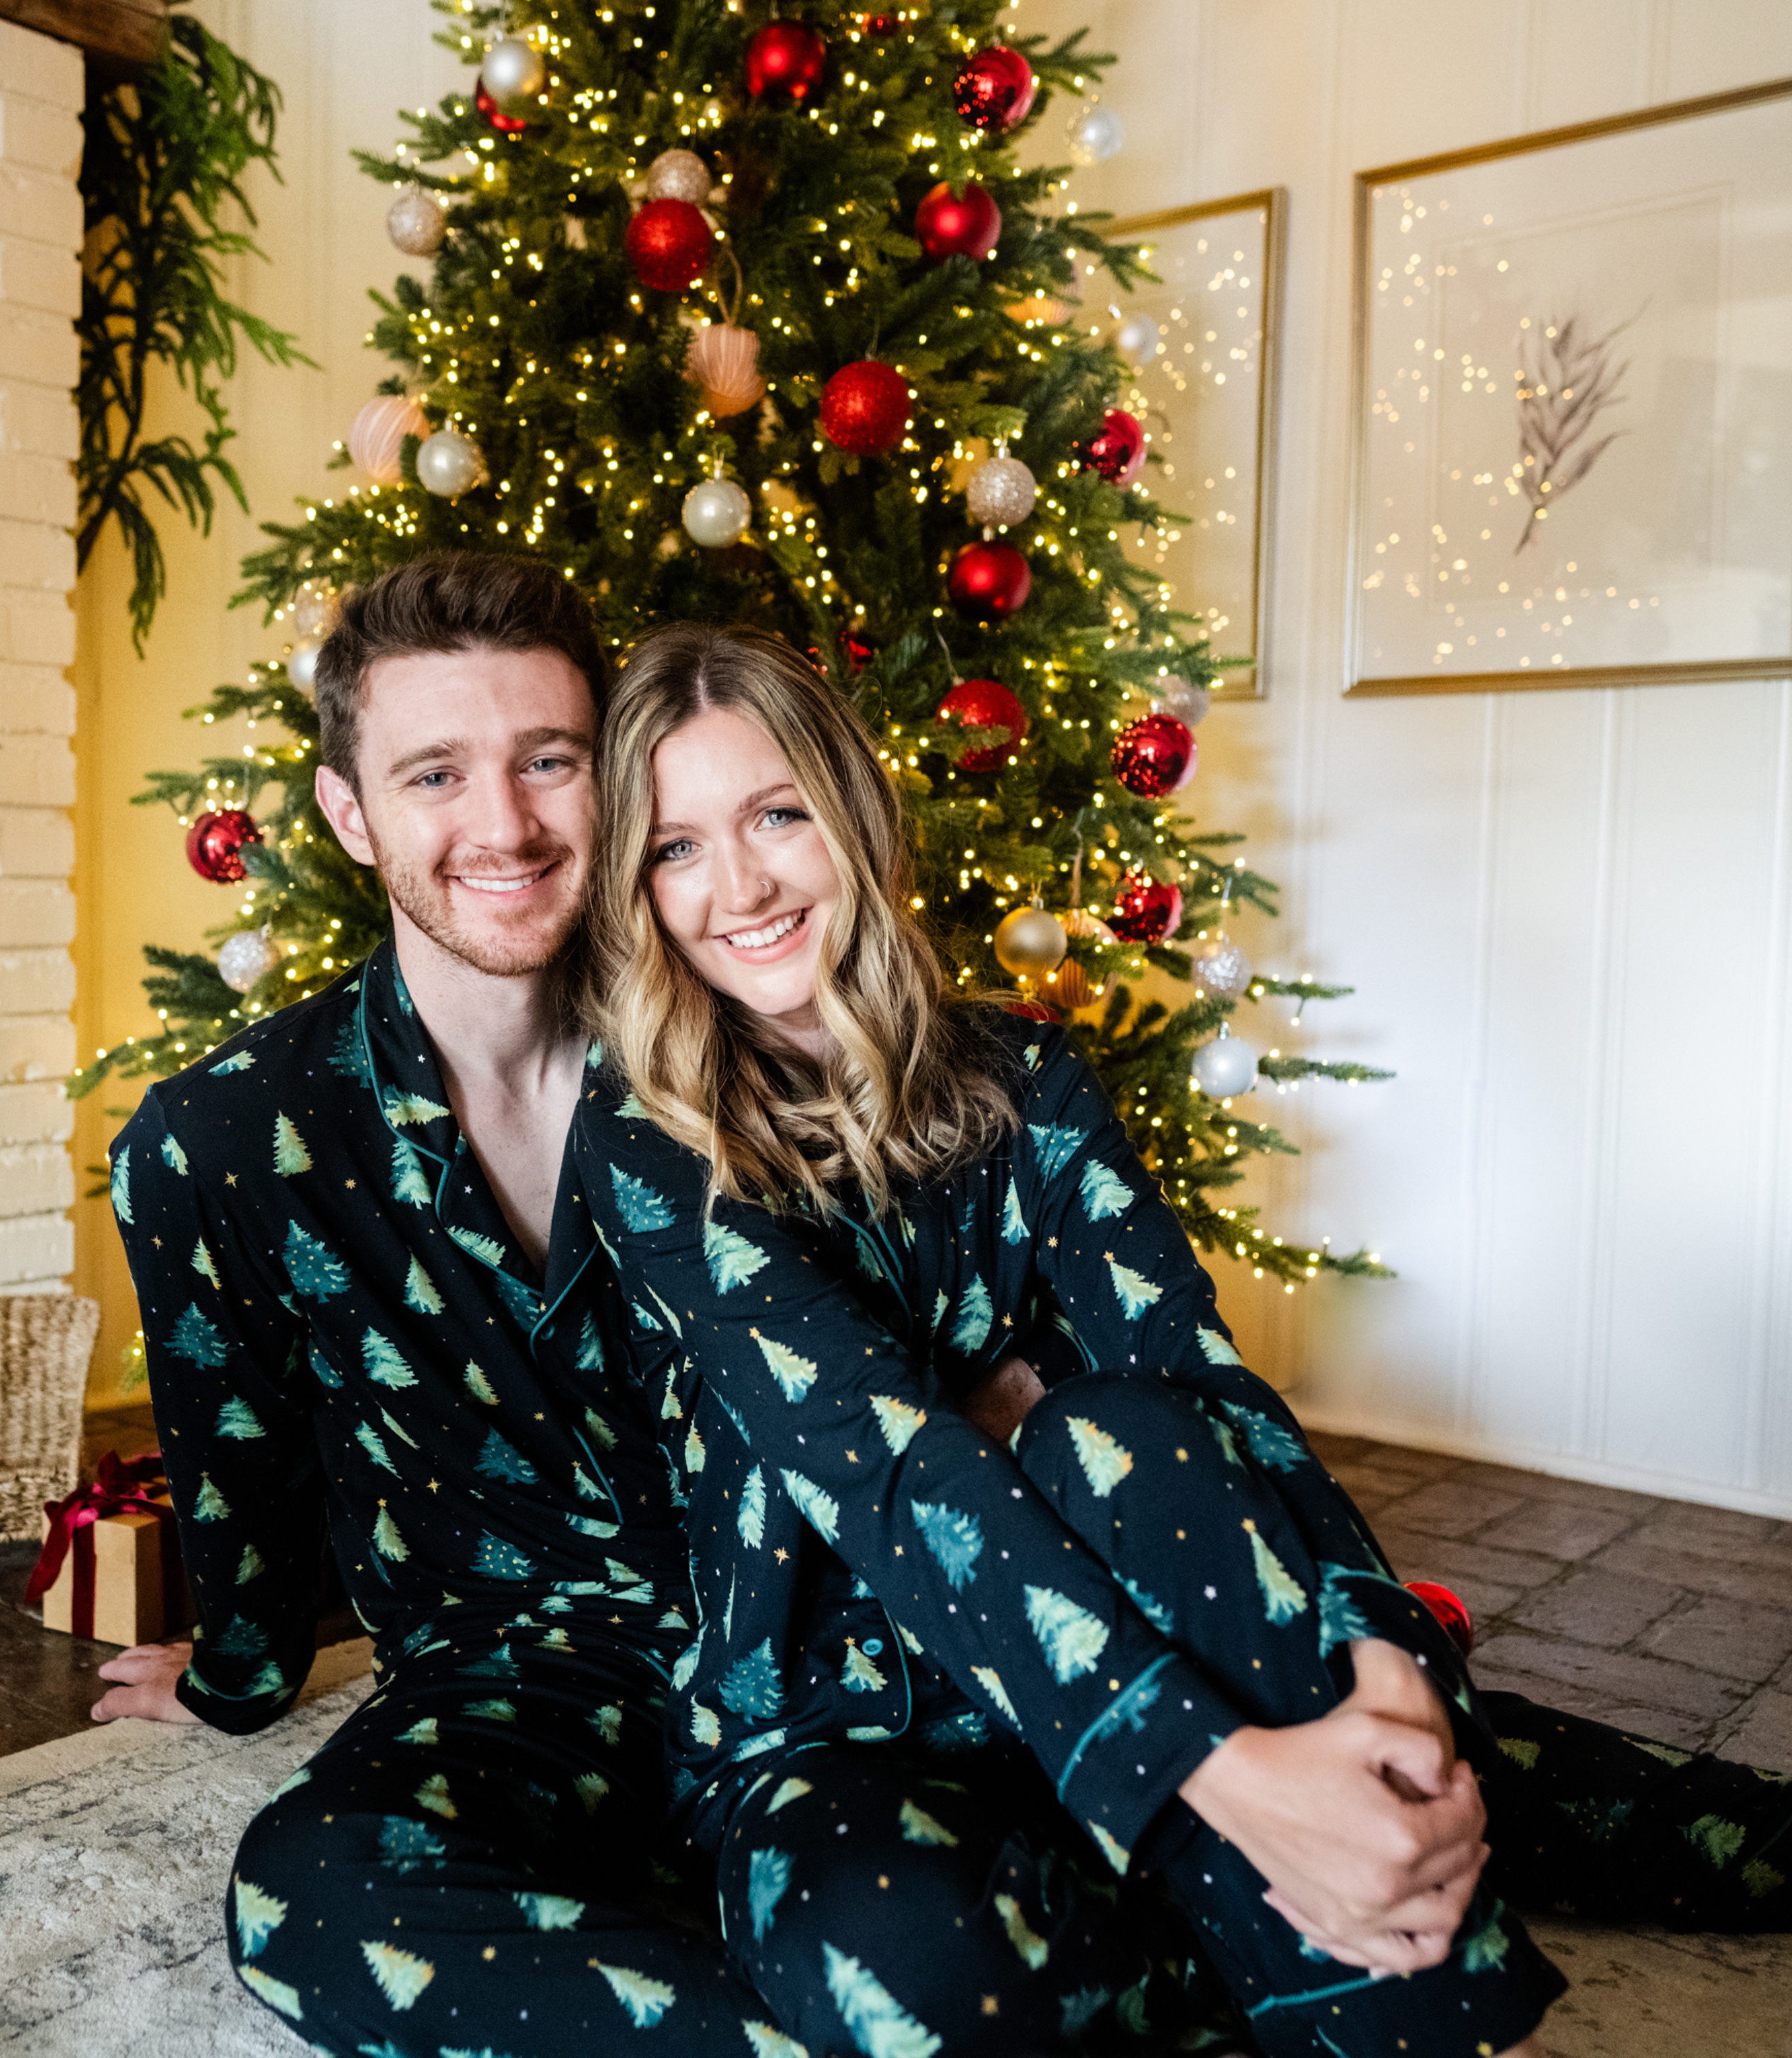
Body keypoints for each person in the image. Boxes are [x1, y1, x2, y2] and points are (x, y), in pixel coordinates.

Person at [574, 622, 1792, 2058]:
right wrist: (1228, 1771)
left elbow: (1195, 1387)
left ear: (849, 812)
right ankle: (1275, 1890)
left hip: (1139, 1626)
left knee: (1134, 1445)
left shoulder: (1027, 1079)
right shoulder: (648, 1139)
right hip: (850, 1723)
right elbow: (893, 1466)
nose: (743, 886)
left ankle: (1411, 1990)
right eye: (678, 849)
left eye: (777, 815)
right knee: (896, 1955)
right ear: (635, 891)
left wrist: (1383, 1653)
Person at [101, 556, 789, 2056]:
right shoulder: (221, 1142)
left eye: (549, 760)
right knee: (313, 1897)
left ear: (606, 777)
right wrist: (237, 1674)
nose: (508, 826)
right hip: (526, 1674)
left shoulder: (764, 1047)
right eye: (435, 773)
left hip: (827, 1640)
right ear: (353, 814)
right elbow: (241, 1454)